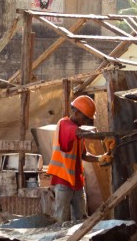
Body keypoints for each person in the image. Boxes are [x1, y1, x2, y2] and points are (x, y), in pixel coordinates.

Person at [47, 95, 112, 223]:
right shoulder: (64, 124)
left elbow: (83, 155)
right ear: (76, 112)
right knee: (61, 219)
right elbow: (80, 132)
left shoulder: (77, 131)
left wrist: (100, 158)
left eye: (88, 119)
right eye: (85, 118)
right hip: (63, 181)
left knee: (82, 219)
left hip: (77, 182)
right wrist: (104, 137)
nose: (86, 121)